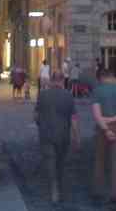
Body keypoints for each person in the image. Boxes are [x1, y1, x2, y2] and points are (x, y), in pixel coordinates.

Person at [34, 72, 79, 205]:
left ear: (51, 80)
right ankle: (59, 185)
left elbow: (35, 116)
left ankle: (54, 188)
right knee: (60, 162)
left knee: (50, 161)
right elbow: (74, 119)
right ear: (62, 81)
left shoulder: (42, 95)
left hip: (46, 134)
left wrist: (40, 124)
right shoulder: (69, 96)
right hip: (63, 135)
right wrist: (76, 137)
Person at [90, 67, 116, 206]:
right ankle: (115, 193)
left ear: (100, 77)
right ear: (112, 76)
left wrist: (106, 128)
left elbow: (96, 114)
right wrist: (112, 121)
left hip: (102, 129)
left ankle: (98, 191)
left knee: (100, 161)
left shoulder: (97, 91)